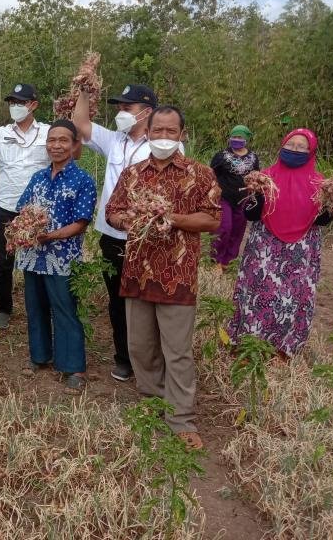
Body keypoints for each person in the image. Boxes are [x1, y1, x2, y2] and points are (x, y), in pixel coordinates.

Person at [106, 106, 220, 449]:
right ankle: (152, 401)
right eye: (158, 130)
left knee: (177, 351)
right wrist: (129, 220)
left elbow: (213, 219)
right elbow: (113, 211)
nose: (164, 137)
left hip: (177, 276)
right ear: (148, 132)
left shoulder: (200, 174)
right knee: (140, 346)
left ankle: (181, 418)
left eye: (171, 131)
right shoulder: (133, 173)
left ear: (182, 135)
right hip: (137, 273)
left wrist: (172, 218)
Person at [72, 83, 162, 383]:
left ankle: (149, 361)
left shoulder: (161, 145)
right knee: (117, 299)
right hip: (111, 235)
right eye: (119, 107)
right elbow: (80, 124)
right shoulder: (115, 140)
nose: (121, 112)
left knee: (146, 299)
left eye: (127, 107)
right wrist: (84, 92)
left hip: (145, 237)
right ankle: (124, 358)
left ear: (146, 112)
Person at [228, 129, 333, 357]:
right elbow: (251, 215)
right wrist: (258, 195)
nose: (294, 150)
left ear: (311, 152)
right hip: (265, 246)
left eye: (301, 147)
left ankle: (283, 349)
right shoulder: (265, 177)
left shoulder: (320, 184)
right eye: (290, 145)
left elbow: (322, 220)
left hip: (301, 249)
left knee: (291, 298)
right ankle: (247, 344)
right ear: (282, 146)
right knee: (257, 292)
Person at [15, 120, 97, 392]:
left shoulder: (83, 180)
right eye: (52, 140)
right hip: (32, 254)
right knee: (35, 306)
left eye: (63, 140)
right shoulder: (38, 177)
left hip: (62, 257)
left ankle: (73, 366)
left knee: (64, 309)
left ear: (75, 145)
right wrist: (25, 228)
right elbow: (22, 208)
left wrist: (51, 235)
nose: (56, 146)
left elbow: (81, 223)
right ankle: (39, 356)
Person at [0, 84, 51, 330]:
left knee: (40, 259)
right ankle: (3, 308)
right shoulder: (1, 133)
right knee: (4, 262)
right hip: (6, 206)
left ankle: (41, 307)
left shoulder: (47, 132)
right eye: (12, 103)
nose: (15, 107)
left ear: (33, 105)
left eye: (20, 102)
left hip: (37, 211)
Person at [209, 125, 260, 271]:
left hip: (243, 200)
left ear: (246, 139)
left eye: (240, 137)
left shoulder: (253, 157)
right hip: (224, 197)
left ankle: (228, 261)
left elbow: (256, 175)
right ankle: (216, 259)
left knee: (237, 231)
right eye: (234, 137)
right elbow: (211, 174)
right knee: (224, 228)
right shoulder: (221, 156)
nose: (236, 139)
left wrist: (254, 184)